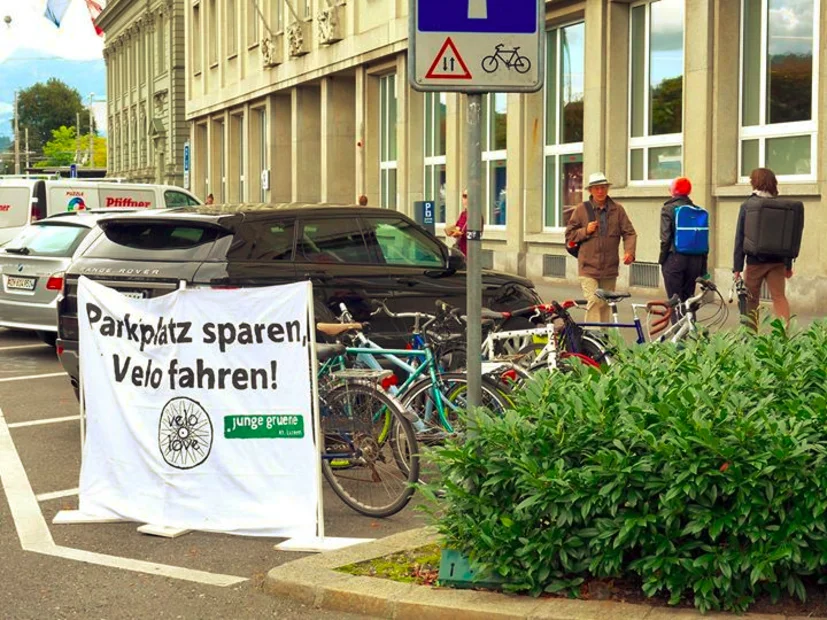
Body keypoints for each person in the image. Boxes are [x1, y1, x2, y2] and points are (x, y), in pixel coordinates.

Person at [565, 172, 637, 323]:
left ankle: (602, 340)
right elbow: (569, 236)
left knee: (605, 304)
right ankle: (591, 338)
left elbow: (629, 233)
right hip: (588, 267)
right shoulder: (581, 210)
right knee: (595, 301)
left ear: (607, 189)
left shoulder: (618, 210)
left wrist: (629, 251)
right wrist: (585, 231)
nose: (600, 191)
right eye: (597, 188)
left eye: (603, 187)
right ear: (590, 190)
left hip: (609, 268)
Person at [733, 167, 792, 323]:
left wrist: (737, 267)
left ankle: (751, 337)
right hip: (777, 262)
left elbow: (740, 237)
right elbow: (786, 237)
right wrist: (788, 265)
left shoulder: (748, 205)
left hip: (755, 262)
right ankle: (785, 335)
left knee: (751, 300)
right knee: (779, 297)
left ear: (754, 183)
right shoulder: (782, 206)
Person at [659, 177, 708, 303]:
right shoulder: (697, 210)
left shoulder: (668, 209)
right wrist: (703, 267)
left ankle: (679, 323)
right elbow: (703, 239)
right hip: (695, 260)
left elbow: (665, 238)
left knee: (675, 301)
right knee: (688, 301)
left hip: (675, 257)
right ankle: (691, 322)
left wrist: (662, 259)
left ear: (673, 191)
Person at [445, 189, 483, 257]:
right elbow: (457, 227)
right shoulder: (463, 214)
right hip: (460, 252)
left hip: (471, 255)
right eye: (464, 196)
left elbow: (477, 236)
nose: (466, 200)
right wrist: (452, 232)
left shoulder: (476, 215)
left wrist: (462, 234)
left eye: (469, 197)